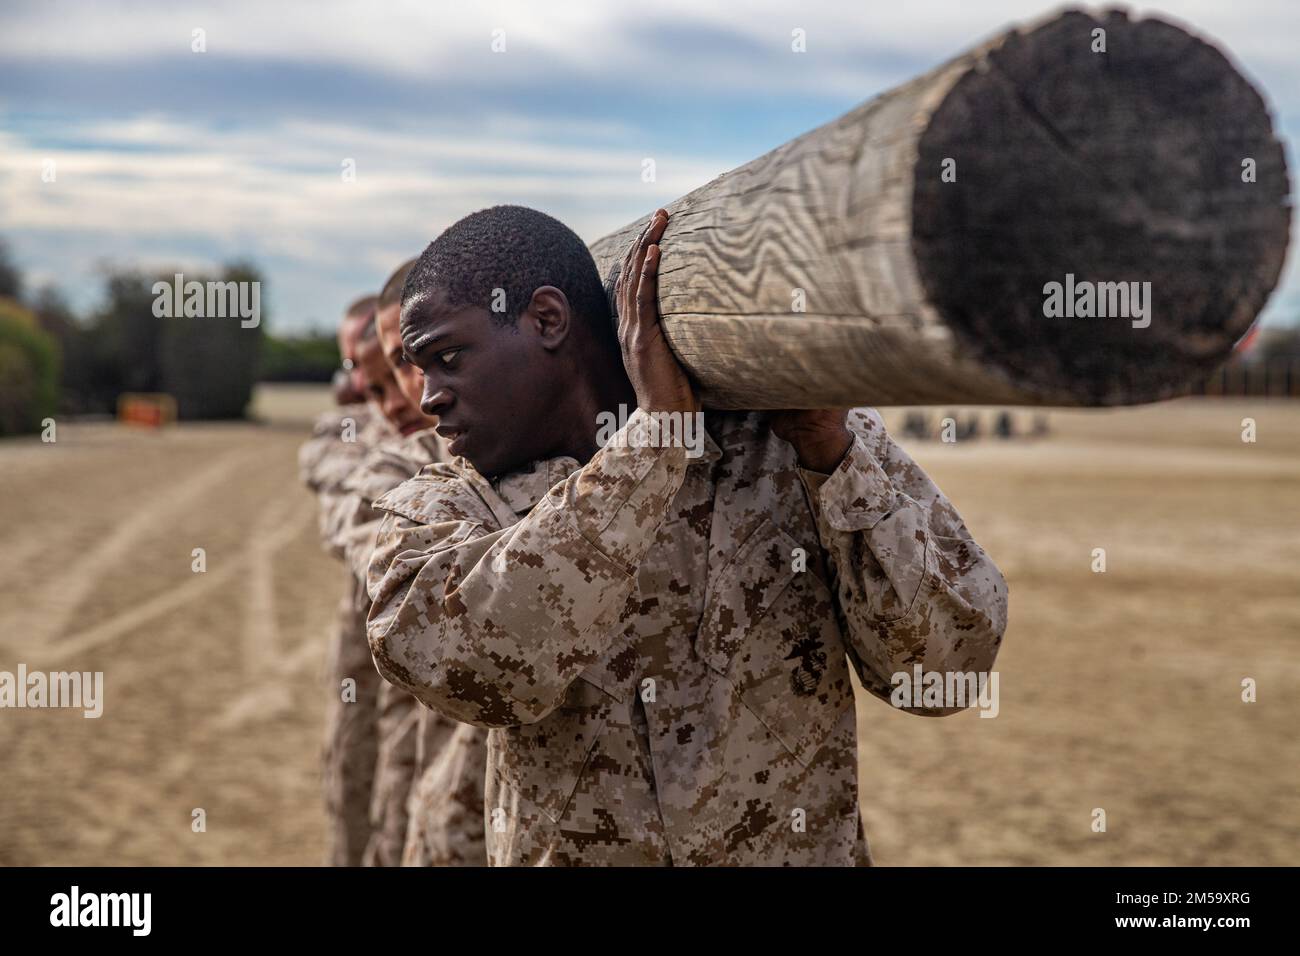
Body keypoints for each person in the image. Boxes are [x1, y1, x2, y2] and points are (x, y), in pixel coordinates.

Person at [366, 205, 1008, 865]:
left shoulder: (791, 444)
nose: (427, 398)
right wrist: (655, 444)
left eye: (447, 358)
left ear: (547, 320)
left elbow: (948, 673)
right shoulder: (441, 513)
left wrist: (832, 456)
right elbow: (487, 671)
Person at [298, 293, 388, 867]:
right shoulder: (355, 436)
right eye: (352, 367)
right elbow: (328, 467)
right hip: (363, 678)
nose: (358, 385)